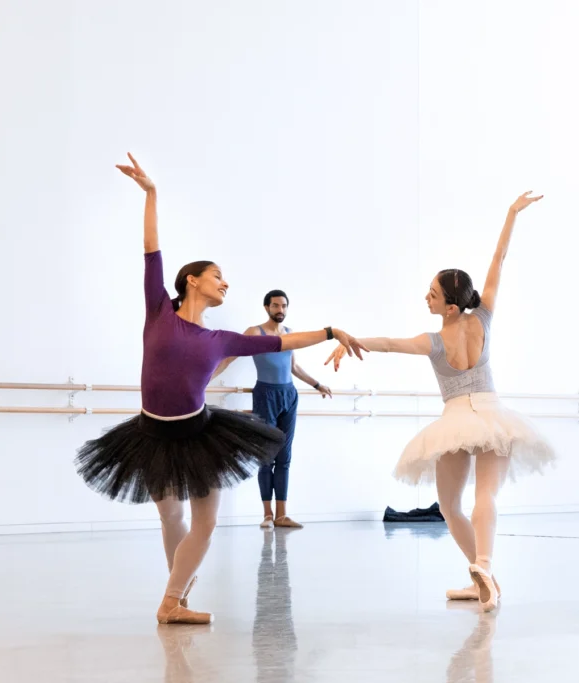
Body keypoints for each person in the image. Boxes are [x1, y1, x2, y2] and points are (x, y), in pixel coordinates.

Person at [75, 154, 365, 625]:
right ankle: (178, 596)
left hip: (200, 434)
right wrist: (151, 194)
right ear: (192, 281)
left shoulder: (222, 339)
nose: (225, 283)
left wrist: (331, 330)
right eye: (217, 276)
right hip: (151, 435)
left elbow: (284, 340)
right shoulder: (158, 313)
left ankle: (171, 602)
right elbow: (151, 251)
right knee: (171, 520)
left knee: (205, 525)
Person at [325, 192, 556, 612]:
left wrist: (351, 341)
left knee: (451, 506)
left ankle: (482, 570)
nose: (425, 298)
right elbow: (498, 261)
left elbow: (390, 344)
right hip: (492, 414)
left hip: (455, 420)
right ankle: (482, 570)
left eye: (431, 295)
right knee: (485, 495)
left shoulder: (434, 340)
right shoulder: (482, 318)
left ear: (450, 307)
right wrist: (511, 214)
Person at [211, 290, 333, 529]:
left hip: (289, 394)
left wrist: (317, 384)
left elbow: (294, 366)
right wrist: (206, 379)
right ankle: (267, 515)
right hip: (265, 395)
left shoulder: (289, 335)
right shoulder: (254, 333)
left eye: (284, 306)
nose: (281, 310)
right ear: (266, 307)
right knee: (266, 456)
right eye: (276, 305)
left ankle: (282, 515)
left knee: (284, 457)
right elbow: (230, 357)